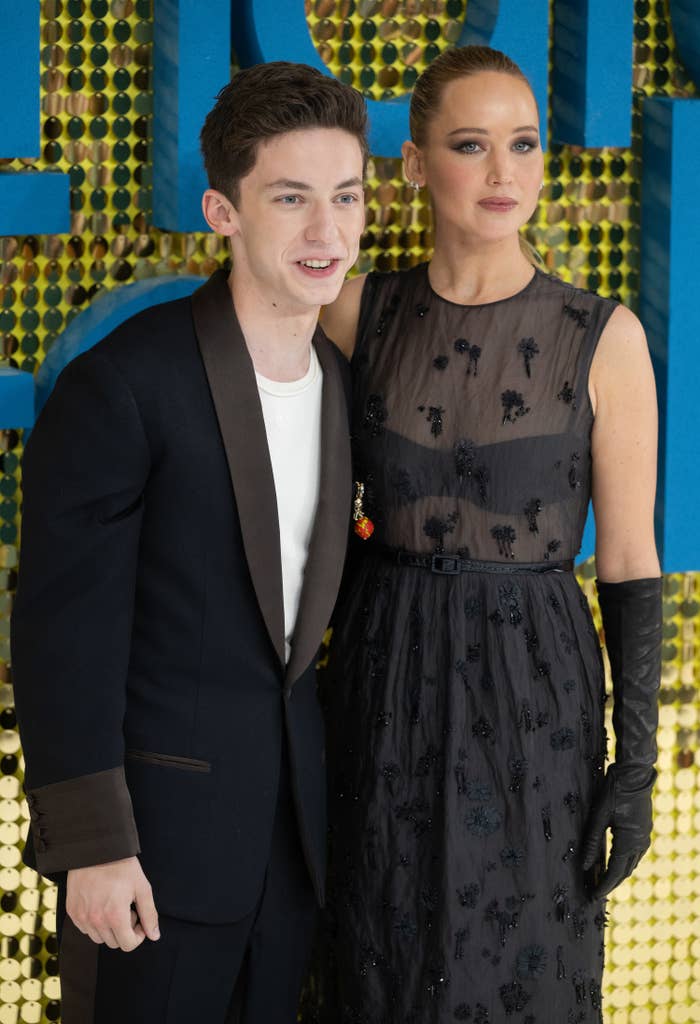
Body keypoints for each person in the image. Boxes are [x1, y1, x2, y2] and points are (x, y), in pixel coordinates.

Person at [303, 45, 661, 1024]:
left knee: (522, 971)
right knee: (378, 958)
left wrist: (633, 775)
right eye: (472, 145)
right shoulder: (348, 311)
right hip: (383, 684)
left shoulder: (605, 338)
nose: (505, 173)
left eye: (523, 144)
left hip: (534, 701)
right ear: (414, 164)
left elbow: (629, 565)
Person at [11, 61, 367, 1024]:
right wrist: (91, 846)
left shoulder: (339, 385)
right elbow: (61, 637)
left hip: (291, 860)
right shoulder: (122, 386)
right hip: (150, 865)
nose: (326, 233)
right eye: (291, 199)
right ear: (224, 211)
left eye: (344, 197)